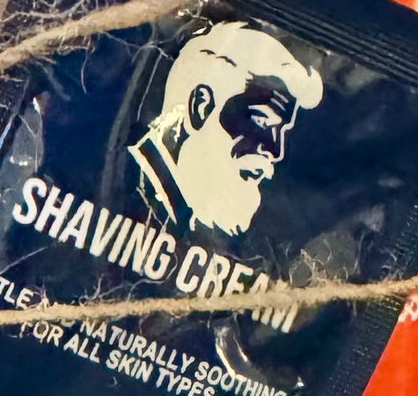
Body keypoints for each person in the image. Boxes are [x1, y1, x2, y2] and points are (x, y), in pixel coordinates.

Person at [129, 21, 324, 240]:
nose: (275, 150)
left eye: (281, 132)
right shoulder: (124, 188)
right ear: (200, 107)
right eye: (262, 123)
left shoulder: (194, 223)